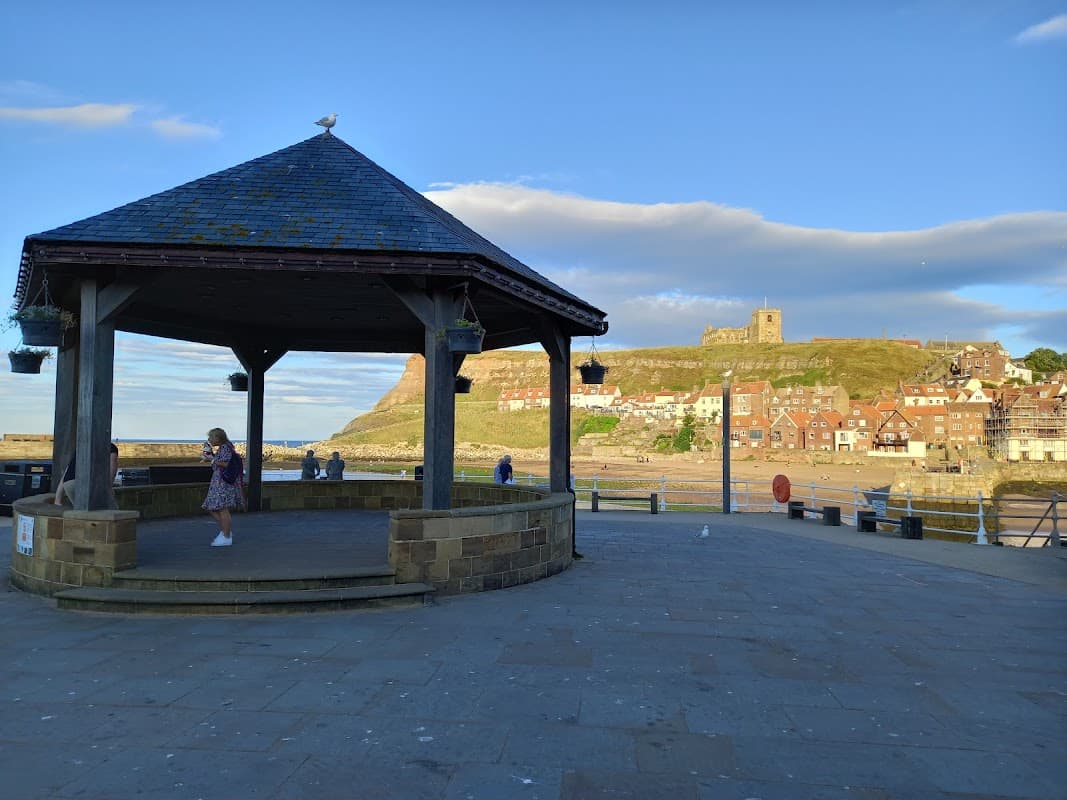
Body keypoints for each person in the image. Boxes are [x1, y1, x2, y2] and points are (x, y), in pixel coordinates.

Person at [200, 427, 244, 547]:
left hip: (222, 484)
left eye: (210, 437)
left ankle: (226, 535)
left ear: (217, 438)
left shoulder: (225, 447)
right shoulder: (226, 447)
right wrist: (212, 455)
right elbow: (222, 461)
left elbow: (225, 464)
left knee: (221, 508)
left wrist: (212, 459)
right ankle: (226, 531)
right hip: (219, 483)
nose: (209, 440)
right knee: (213, 507)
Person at [54, 443, 120, 509]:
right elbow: (112, 466)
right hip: (85, 483)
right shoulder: (110, 447)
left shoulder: (83, 446)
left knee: (83, 511)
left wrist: (58, 499)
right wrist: (109, 487)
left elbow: (67, 471)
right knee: (112, 511)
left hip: (68, 484)